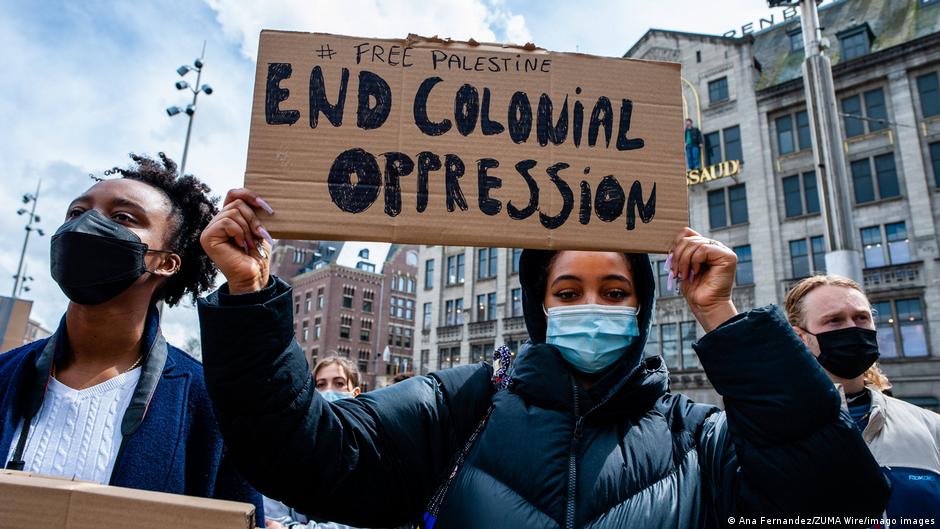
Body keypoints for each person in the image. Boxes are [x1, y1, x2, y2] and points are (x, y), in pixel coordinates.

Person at [196, 188, 889, 528]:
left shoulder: (696, 435)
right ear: (540, 305)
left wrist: (722, 317)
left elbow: (835, 499)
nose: (594, 304)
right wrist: (252, 296)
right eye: (569, 290)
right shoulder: (459, 406)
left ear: (642, 308)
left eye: (615, 290)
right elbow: (301, 451)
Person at [0, 154, 263, 523]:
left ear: (166, 262)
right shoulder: (5, 375)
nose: (86, 225)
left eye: (123, 217)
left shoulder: (209, 405)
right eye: (76, 213)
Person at [785, 275, 940, 519]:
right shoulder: (772, 429)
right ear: (800, 338)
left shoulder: (930, 427)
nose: (853, 328)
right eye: (834, 321)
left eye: (861, 318)